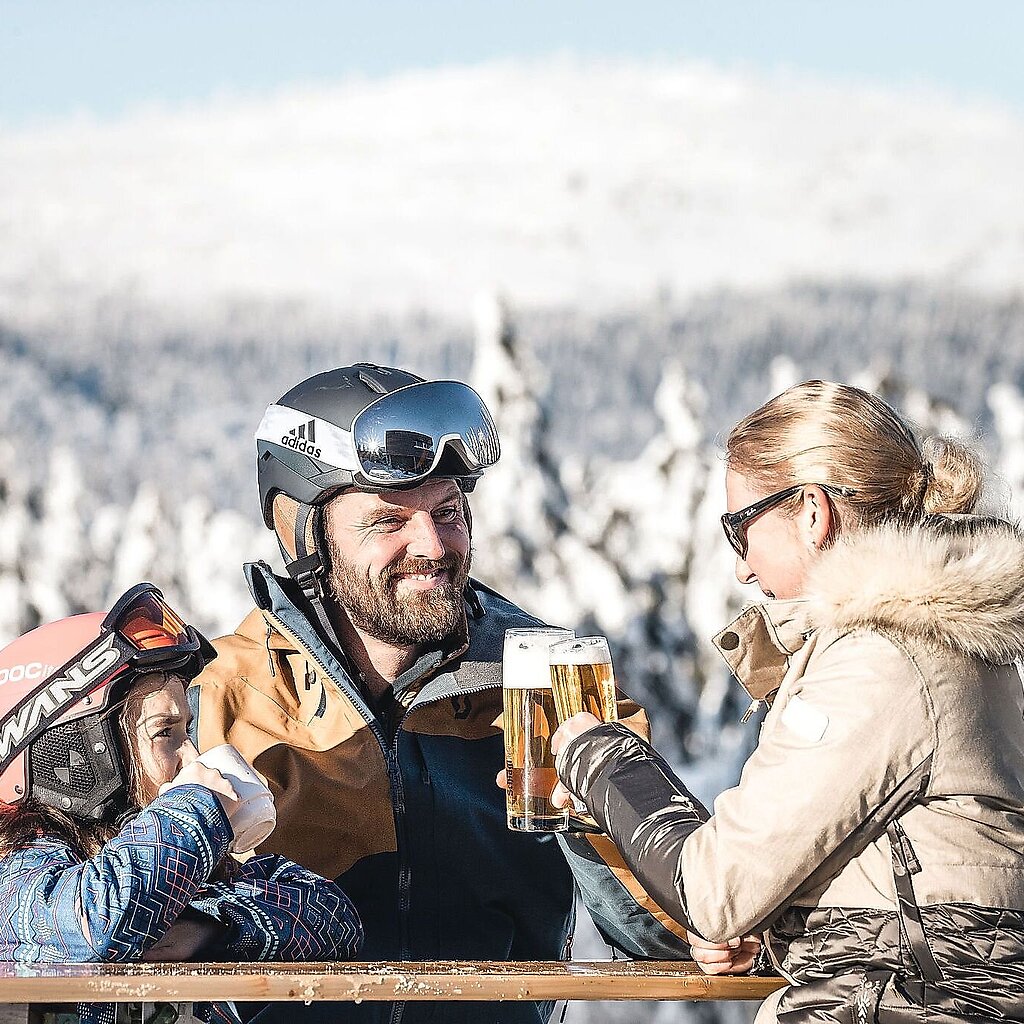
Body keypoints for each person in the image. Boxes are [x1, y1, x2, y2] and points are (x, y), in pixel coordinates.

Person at [189, 363, 690, 1024]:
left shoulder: (542, 678)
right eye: (388, 521)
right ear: (302, 534)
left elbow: (670, 931)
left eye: (448, 512)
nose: (432, 545)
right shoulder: (220, 695)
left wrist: (589, 809)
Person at [550, 380, 1024, 1023]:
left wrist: (598, 755)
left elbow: (714, 887)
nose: (742, 568)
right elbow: (908, 877)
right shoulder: (932, 639)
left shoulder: (884, 659)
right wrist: (778, 926)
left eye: (739, 530)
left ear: (811, 513)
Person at [0, 583, 362, 1024]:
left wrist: (208, 928)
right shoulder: (19, 873)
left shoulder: (179, 871)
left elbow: (335, 918)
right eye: (165, 732)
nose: (192, 755)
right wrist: (195, 808)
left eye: (187, 731)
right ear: (76, 754)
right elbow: (90, 926)